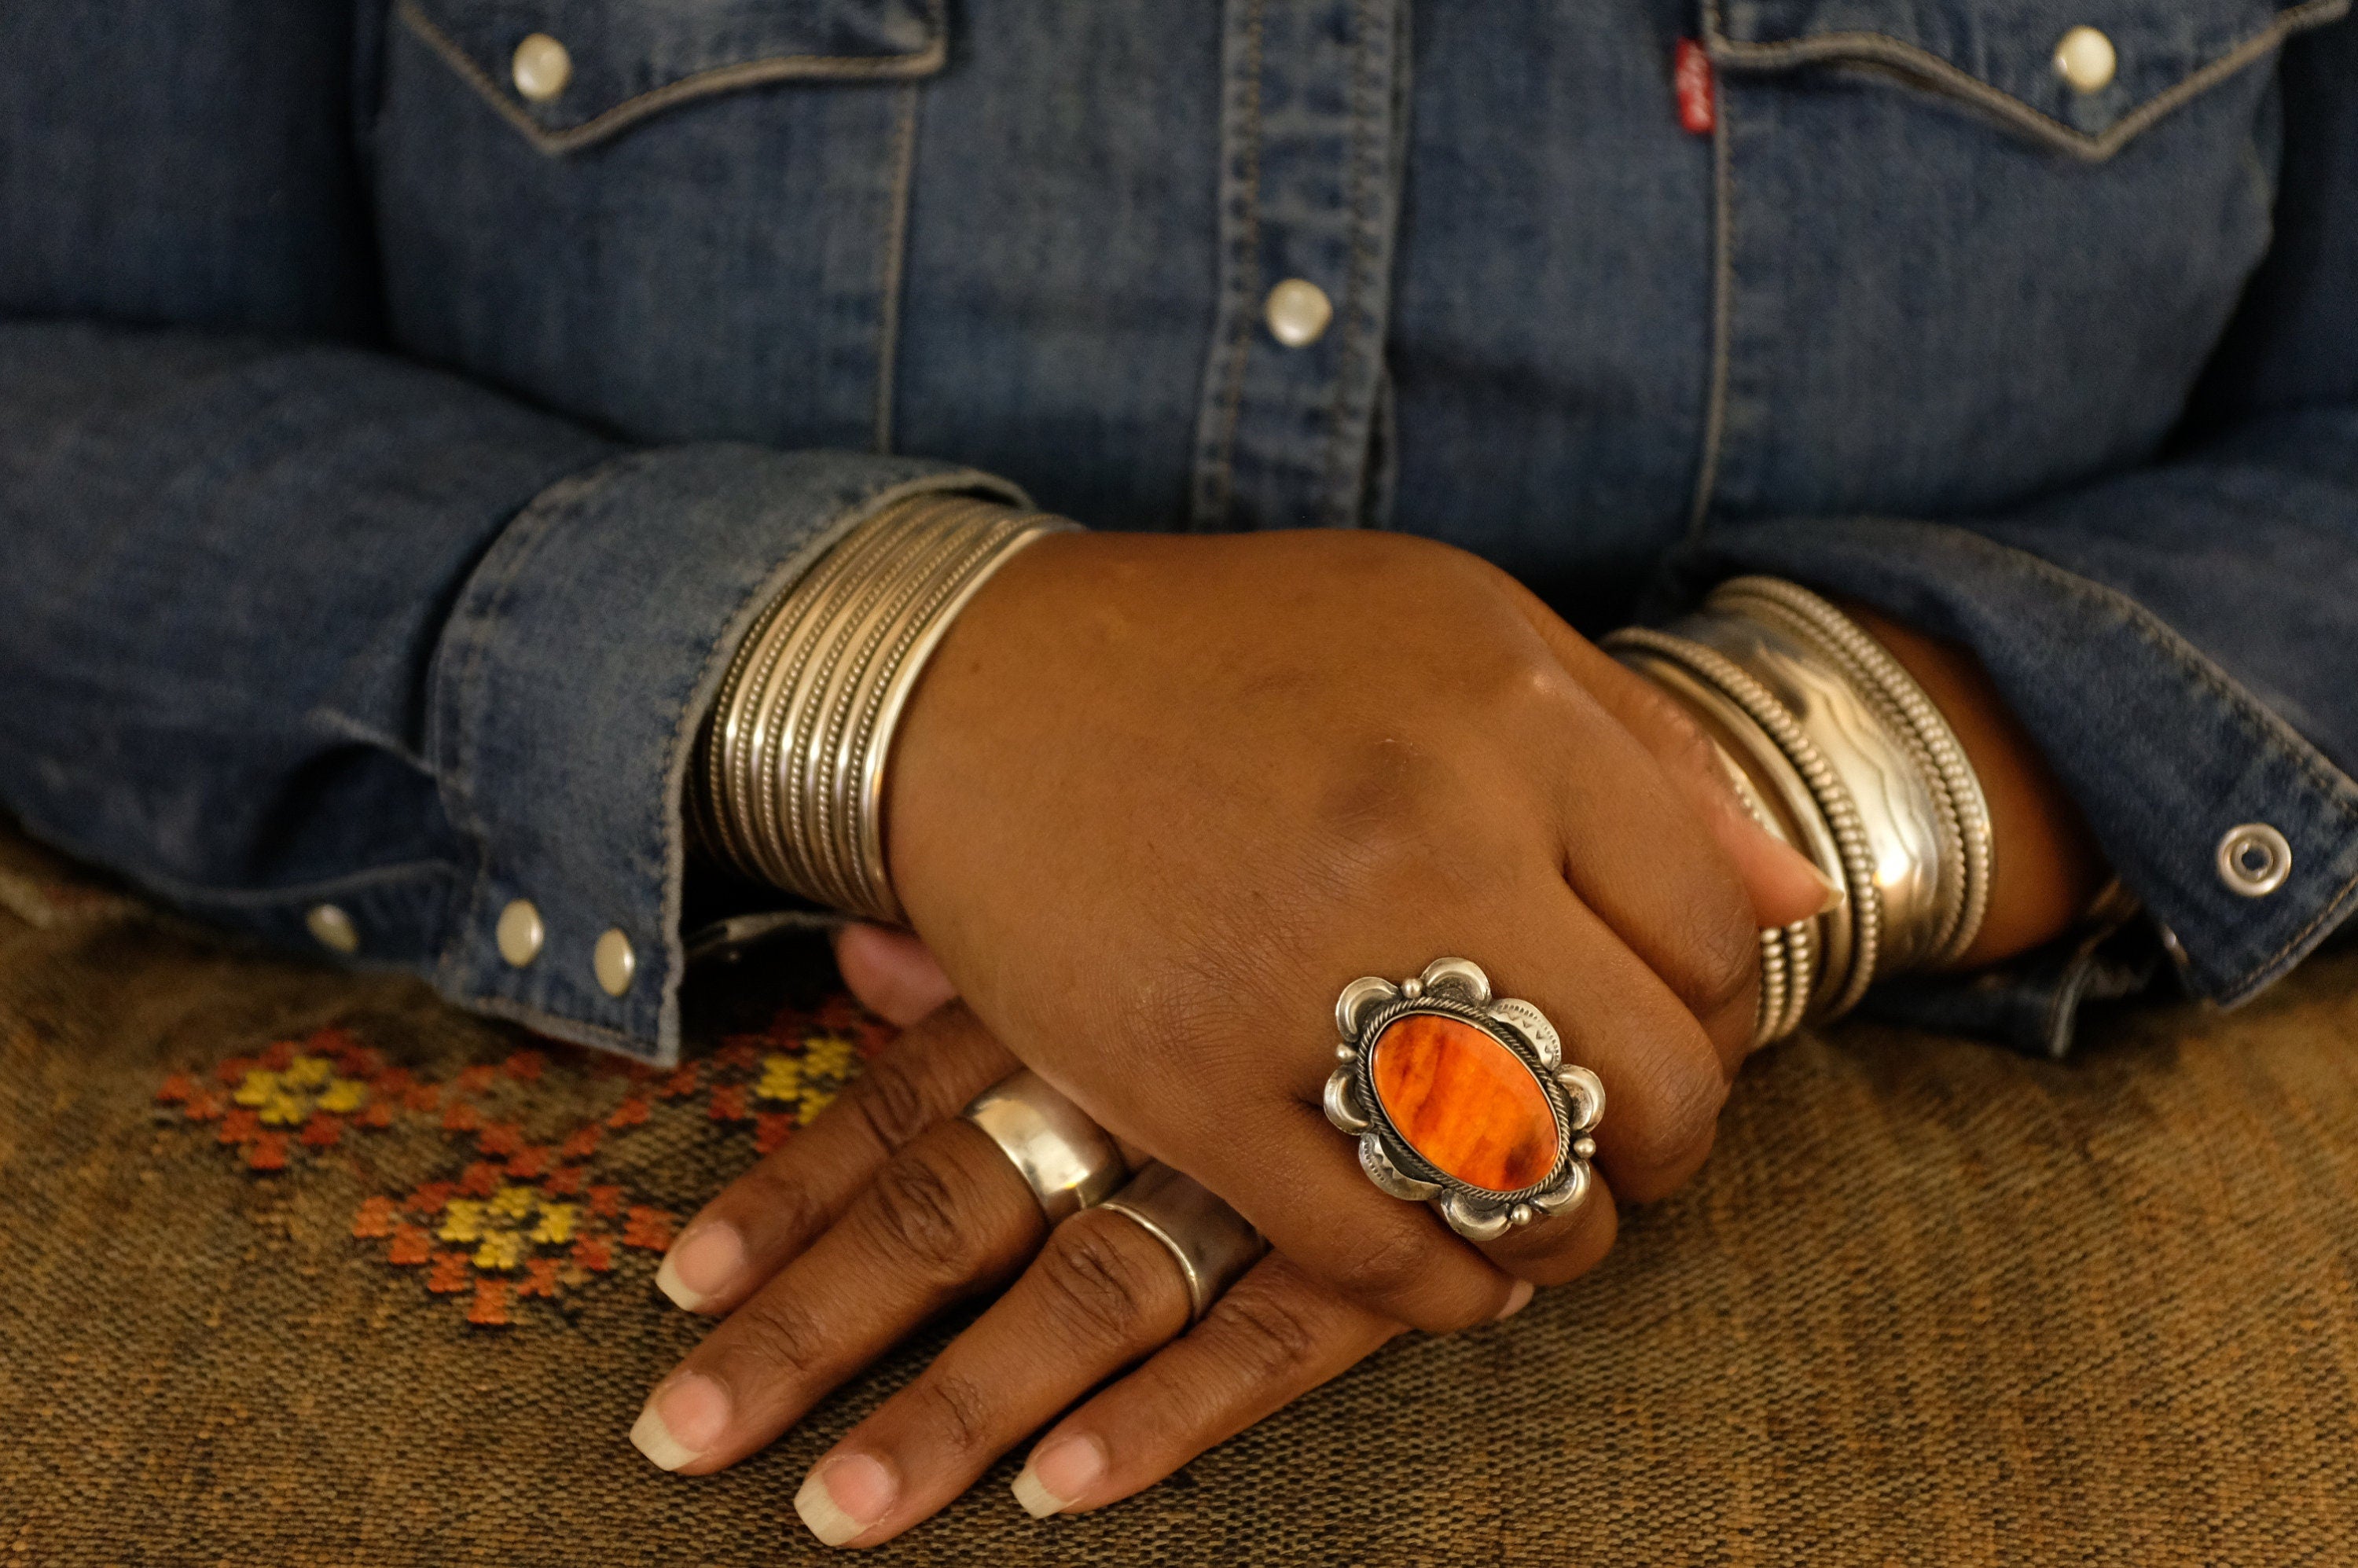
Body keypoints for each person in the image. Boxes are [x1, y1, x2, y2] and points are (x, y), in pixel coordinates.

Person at [5, 0, 2355, 1548]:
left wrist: (1802, 779)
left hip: (2018, 1180)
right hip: (515, 1053)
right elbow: (66, 361)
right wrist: (889, 677)